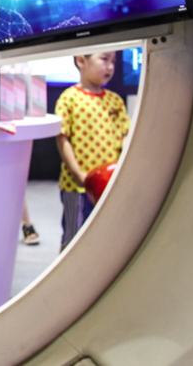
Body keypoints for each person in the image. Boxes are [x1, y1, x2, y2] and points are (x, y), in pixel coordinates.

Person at [54, 52, 131, 252]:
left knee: (106, 236)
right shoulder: (69, 98)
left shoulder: (115, 101)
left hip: (109, 186)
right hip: (77, 188)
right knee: (72, 238)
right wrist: (79, 175)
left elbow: (124, 136)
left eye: (113, 61)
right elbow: (62, 138)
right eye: (104, 59)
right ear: (81, 60)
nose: (110, 66)